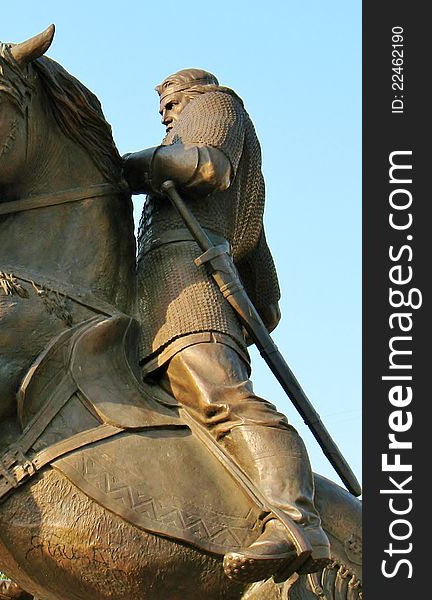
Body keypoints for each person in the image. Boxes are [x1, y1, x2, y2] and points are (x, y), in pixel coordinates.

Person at [122, 68, 329, 583]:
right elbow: (258, 255)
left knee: (219, 395)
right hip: (152, 287)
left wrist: (116, 167)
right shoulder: (177, 137)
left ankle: (294, 522)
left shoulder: (217, 105)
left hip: (189, 285)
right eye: (163, 106)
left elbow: (208, 167)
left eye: (173, 100)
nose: (166, 111)